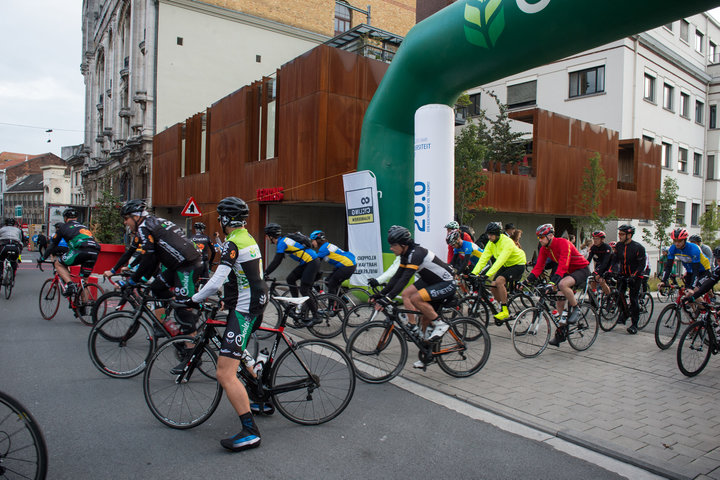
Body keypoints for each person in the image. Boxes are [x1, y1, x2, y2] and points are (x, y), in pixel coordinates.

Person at [188, 197, 268, 452]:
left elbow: (216, 280)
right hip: (252, 303)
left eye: (220, 217)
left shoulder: (232, 243)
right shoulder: (248, 237)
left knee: (224, 372)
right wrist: (227, 300)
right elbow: (243, 275)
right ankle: (259, 394)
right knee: (233, 350)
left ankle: (250, 432)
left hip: (247, 310)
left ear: (225, 219)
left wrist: (193, 298)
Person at [114, 199, 203, 335]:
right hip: (178, 265)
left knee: (182, 309)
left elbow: (148, 257)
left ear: (136, 216)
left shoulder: (144, 227)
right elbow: (153, 258)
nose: (125, 222)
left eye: (126, 218)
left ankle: (191, 348)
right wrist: (141, 278)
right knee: (156, 287)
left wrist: (132, 280)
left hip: (187, 266)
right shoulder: (153, 222)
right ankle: (172, 321)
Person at [373, 226, 456, 362]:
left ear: (403, 245)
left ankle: (441, 324)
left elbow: (405, 278)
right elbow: (397, 277)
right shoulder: (406, 255)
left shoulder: (416, 254)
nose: (391, 248)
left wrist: (388, 298)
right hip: (431, 281)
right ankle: (427, 352)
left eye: (393, 245)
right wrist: (381, 294)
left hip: (446, 282)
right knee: (418, 310)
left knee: (415, 298)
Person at [526, 224, 590, 346]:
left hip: (581, 269)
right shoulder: (545, 249)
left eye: (541, 237)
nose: (539, 239)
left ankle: (576, 308)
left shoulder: (563, 243)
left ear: (550, 235)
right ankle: (561, 332)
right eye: (538, 237)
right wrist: (527, 281)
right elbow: (539, 267)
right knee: (559, 302)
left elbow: (562, 266)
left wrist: (552, 283)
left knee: (562, 284)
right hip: (569, 272)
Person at [263, 223, 321, 325]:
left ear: (271, 236)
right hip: (306, 262)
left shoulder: (282, 243)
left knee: (304, 289)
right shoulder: (283, 241)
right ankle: (296, 303)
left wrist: (265, 273)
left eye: (267, 236)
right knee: (290, 279)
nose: (266, 238)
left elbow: (277, 261)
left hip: (312, 262)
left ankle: (316, 316)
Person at [470, 222, 527, 322]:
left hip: (518, 264)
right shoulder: (491, 243)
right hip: (506, 265)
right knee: (493, 285)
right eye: (488, 234)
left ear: (497, 234)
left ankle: (505, 310)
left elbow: (500, 260)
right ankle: (501, 305)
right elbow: (483, 258)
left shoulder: (507, 242)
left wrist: (487, 275)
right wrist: (474, 273)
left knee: (500, 281)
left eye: (491, 234)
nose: (489, 237)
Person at [38, 208, 100, 296]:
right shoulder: (84, 227)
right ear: (76, 218)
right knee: (85, 281)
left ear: (65, 218)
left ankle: (70, 284)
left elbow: (52, 245)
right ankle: (84, 307)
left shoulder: (63, 227)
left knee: (58, 264)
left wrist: (43, 257)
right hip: (94, 251)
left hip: (80, 250)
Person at [609, 224, 647, 334]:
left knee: (633, 298)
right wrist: (611, 271)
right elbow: (614, 261)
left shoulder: (638, 247)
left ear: (629, 235)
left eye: (622, 234)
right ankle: (625, 313)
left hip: (635, 276)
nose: (619, 236)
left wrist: (634, 276)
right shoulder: (619, 246)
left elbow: (642, 265)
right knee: (618, 294)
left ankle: (634, 324)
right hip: (623, 274)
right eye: (619, 234)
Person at [658, 228, 710, 296]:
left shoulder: (693, 248)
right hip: (690, 271)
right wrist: (663, 281)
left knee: (693, 292)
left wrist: (692, 287)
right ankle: (694, 306)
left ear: (684, 240)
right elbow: (668, 267)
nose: (677, 243)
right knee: (686, 296)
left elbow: (696, 270)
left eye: (679, 241)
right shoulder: (673, 248)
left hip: (703, 271)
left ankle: (703, 306)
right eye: (675, 241)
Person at [309, 230, 356, 296]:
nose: (312, 243)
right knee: (328, 282)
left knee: (331, 284)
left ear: (318, 240)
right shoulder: (326, 245)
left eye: (312, 240)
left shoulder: (324, 248)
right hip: (346, 265)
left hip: (347, 265)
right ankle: (342, 301)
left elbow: (315, 262)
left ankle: (331, 305)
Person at [586, 230, 612, 296]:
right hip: (599, 265)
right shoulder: (593, 247)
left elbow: (605, 262)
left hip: (608, 265)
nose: (595, 240)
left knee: (601, 280)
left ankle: (609, 295)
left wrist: (600, 274)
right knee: (592, 279)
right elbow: (588, 260)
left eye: (597, 239)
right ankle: (594, 293)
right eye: (594, 238)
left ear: (602, 239)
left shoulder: (607, 247)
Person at [0, 218, 23, 283]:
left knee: (1, 260)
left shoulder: (2, 229)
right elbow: (21, 240)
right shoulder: (18, 230)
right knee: (13, 261)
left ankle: (1, 274)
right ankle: (12, 278)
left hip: (4, 246)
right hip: (15, 247)